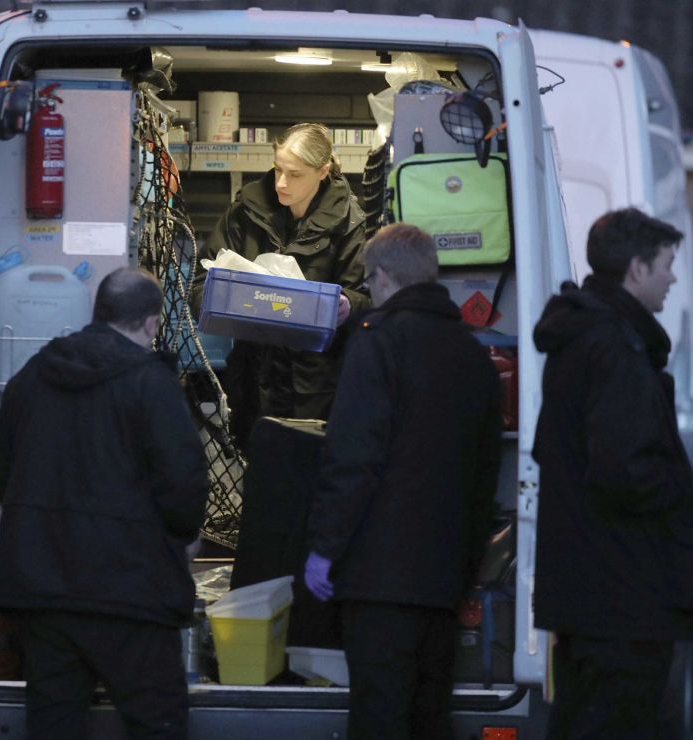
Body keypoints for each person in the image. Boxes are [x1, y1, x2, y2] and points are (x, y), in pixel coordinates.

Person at [0, 267, 209, 739]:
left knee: (54, 723)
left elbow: (0, 471)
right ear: (151, 323)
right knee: (156, 723)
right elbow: (183, 482)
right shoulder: (152, 383)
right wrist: (182, 538)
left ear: (97, 313)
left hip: (43, 590)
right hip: (131, 593)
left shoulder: (35, 374)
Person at [302, 224, 501, 739]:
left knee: (381, 715)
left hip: (379, 578)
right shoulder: (473, 354)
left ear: (383, 277)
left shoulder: (378, 342)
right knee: (428, 715)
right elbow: (485, 474)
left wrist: (325, 549)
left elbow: (354, 457)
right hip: (443, 580)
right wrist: (468, 563)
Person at [531, 207, 693, 737]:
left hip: (590, 592)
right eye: (667, 264)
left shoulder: (582, 336)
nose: (673, 276)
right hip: (624, 596)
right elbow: (627, 470)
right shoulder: (615, 347)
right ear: (637, 269)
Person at [192, 122, 369, 428]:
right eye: (278, 169)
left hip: (316, 387)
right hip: (251, 379)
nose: (282, 183)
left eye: (295, 174)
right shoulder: (245, 212)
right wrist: (224, 298)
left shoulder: (349, 224)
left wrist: (347, 305)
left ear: (323, 172)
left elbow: (367, 299)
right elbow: (199, 285)